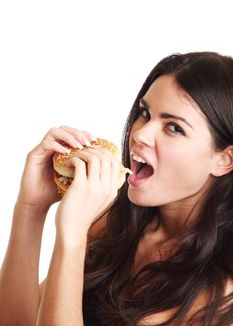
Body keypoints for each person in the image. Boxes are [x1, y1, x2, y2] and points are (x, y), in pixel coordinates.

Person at [1, 52, 233, 326]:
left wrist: (73, 236)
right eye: (145, 113)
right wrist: (31, 208)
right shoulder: (113, 226)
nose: (140, 134)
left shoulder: (223, 291)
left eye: (174, 127)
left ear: (224, 159)